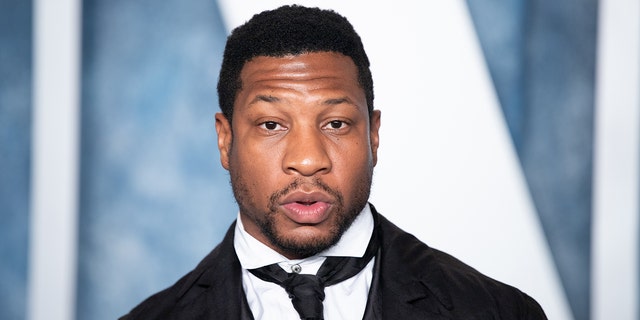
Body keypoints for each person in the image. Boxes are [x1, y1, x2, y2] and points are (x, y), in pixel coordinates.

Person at [121, 5, 547, 320]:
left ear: (373, 135)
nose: (307, 160)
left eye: (336, 123)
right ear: (225, 139)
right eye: (271, 124)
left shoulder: (500, 312)